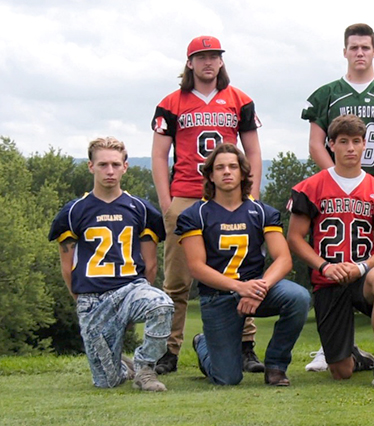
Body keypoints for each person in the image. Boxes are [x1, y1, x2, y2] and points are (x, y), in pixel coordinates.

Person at [301, 23, 374, 371]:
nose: (359, 53)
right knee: (329, 259)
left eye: (365, 47)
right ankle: (331, 346)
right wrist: (337, 181)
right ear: (344, 51)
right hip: (333, 190)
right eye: (353, 47)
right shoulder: (327, 94)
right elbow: (315, 143)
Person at [151, 35, 264, 375]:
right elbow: (159, 155)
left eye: (214, 56)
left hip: (231, 197)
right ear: (189, 63)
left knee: (240, 271)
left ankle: (246, 345)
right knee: (177, 279)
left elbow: (254, 150)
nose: (208, 62)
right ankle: (167, 349)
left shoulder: (239, 99)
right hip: (186, 194)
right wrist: (167, 202)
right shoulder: (172, 102)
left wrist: (252, 194)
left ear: (221, 61)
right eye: (201, 57)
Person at [177, 144, 310, 386]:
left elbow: (283, 258)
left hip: (256, 290)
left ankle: (276, 366)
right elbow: (196, 267)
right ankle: (203, 343)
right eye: (219, 168)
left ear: (242, 173)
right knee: (227, 378)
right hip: (217, 296)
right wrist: (239, 288)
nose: (226, 172)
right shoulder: (194, 215)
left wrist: (259, 287)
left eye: (232, 166)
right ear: (210, 175)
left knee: (298, 297)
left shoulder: (262, 212)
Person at [49, 137, 173, 391]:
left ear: (125, 167)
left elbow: (150, 265)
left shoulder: (141, 209)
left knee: (162, 304)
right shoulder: (74, 211)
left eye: (115, 164)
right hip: (92, 296)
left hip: (130, 288)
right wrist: (81, 301)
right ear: (90, 167)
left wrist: (134, 303)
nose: (110, 171)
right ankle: (121, 366)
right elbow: (67, 265)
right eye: (103, 164)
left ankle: (144, 368)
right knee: (107, 382)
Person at [286, 114, 374, 388]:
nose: (350, 148)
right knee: (341, 371)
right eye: (343, 141)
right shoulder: (310, 188)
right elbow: (295, 237)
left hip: (362, 276)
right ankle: (357, 357)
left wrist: (362, 267)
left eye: (356, 141)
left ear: (365, 145)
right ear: (331, 145)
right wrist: (325, 266)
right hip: (328, 278)